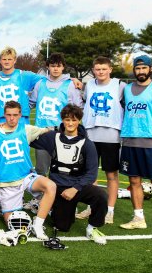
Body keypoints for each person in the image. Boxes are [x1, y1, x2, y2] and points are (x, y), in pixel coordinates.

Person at [30, 104, 108, 244]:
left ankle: (92, 228)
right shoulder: (52, 137)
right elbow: (28, 137)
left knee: (101, 195)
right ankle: (55, 207)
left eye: (74, 120)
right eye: (67, 120)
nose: (70, 123)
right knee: (62, 226)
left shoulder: (87, 144)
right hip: (58, 188)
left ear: (79, 121)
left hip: (77, 187)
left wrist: (75, 189)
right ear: (62, 121)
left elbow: (91, 174)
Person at [118, 55, 152, 239]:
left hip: (151, 144)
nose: (140, 71)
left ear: (150, 69)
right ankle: (138, 218)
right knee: (134, 182)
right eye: (137, 68)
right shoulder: (126, 89)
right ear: (134, 70)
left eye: (144, 68)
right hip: (129, 142)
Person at [0, 101, 56, 241]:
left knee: (50, 186)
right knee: (14, 227)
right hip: (7, 182)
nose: (12, 118)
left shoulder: (26, 129)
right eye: (8, 115)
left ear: (20, 115)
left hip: (27, 176)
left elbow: (47, 129)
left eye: (15, 115)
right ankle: (0, 205)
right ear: (4, 115)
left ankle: (38, 224)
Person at [77, 56, 126, 224]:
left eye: (104, 69)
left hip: (111, 135)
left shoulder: (120, 85)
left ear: (110, 69)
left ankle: (109, 211)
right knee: (90, 174)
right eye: (97, 69)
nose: (101, 72)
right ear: (93, 70)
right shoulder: (89, 85)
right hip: (91, 134)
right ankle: (92, 207)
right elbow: (83, 103)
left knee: (111, 174)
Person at [29, 53, 83, 175]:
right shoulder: (40, 83)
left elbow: (79, 108)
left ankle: (59, 194)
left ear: (63, 67)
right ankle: (39, 194)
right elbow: (31, 103)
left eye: (58, 66)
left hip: (62, 132)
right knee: (41, 169)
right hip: (42, 132)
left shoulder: (70, 84)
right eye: (53, 66)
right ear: (48, 67)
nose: (55, 69)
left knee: (61, 169)